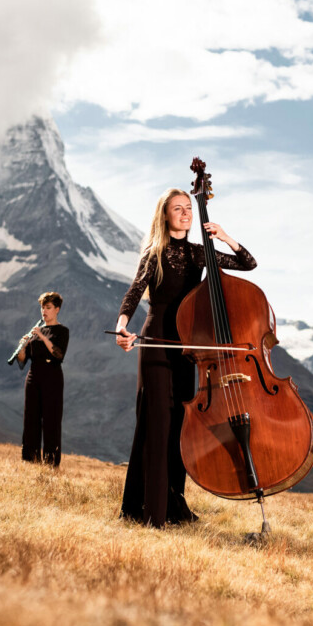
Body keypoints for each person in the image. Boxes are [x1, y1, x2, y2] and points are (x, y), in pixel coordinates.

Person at [113, 188, 257, 527]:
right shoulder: (155, 252)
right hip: (156, 342)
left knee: (179, 426)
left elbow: (247, 264)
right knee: (157, 425)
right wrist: (121, 327)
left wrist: (223, 236)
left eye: (188, 208)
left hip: (187, 348)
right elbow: (134, 292)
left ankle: (173, 506)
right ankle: (152, 513)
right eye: (177, 208)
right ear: (164, 215)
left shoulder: (199, 253)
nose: (185, 213)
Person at [17, 291, 70, 465]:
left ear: (57, 309)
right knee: (30, 418)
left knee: (51, 420)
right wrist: (23, 349)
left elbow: (58, 354)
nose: (44, 311)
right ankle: (30, 459)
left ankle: (50, 463)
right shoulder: (35, 331)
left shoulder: (62, 331)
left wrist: (40, 336)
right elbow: (24, 361)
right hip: (34, 376)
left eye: (48, 308)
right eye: (42, 308)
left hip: (52, 379)